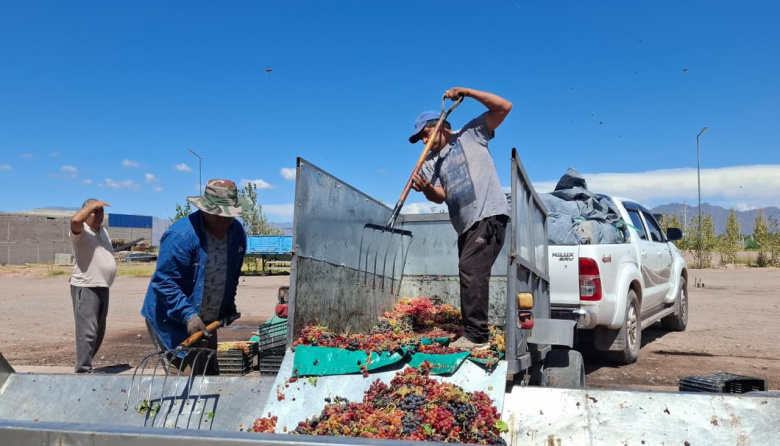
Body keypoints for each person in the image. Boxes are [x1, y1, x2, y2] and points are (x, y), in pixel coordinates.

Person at [408, 87, 512, 351]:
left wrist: (466, 91)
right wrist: (426, 188)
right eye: (420, 138)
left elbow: (504, 107)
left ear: (441, 126)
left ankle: (477, 336)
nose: (423, 141)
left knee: (470, 269)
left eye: (425, 134)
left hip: (488, 214)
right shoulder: (433, 162)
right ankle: (473, 331)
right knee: (470, 272)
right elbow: (440, 197)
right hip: (464, 226)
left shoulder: (471, 133)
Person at [141, 179, 250, 375]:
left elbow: (231, 274)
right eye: (219, 214)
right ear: (205, 209)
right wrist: (188, 315)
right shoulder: (181, 235)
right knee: (184, 378)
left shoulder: (237, 233)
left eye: (229, 214)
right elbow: (164, 282)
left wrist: (227, 304)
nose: (225, 219)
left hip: (207, 319)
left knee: (207, 373)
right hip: (173, 319)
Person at [69, 198, 117, 373]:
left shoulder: (102, 231)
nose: (98, 215)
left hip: (102, 286)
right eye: (94, 211)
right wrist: (90, 206)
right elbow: (75, 220)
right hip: (87, 286)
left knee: (98, 332)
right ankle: (82, 371)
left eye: (100, 211)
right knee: (87, 333)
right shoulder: (81, 232)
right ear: (86, 212)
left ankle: (87, 366)